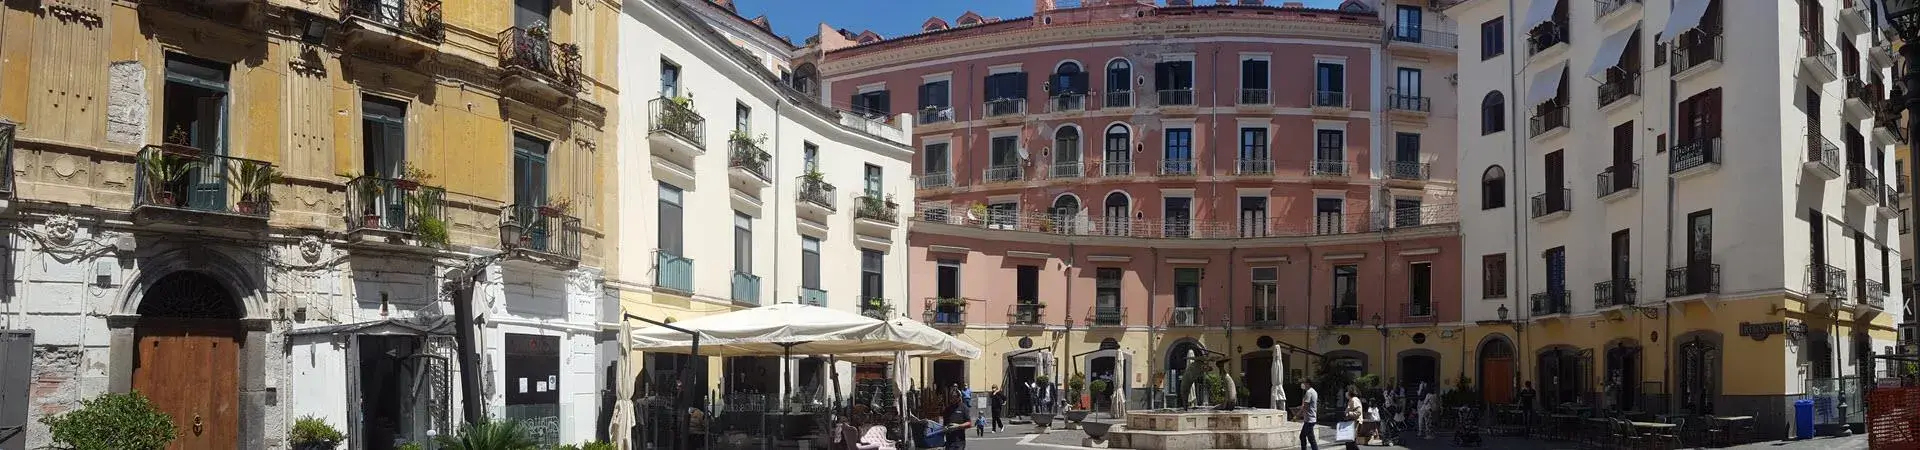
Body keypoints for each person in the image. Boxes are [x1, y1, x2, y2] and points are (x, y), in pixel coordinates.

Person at [1297, 380, 1319, 450]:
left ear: (1308, 384)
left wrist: (1297, 414)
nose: (1303, 384)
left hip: (1309, 419)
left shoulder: (1309, 392)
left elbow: (1305, 406)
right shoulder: (1314, 391)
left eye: (1304, 383)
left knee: (1302, 436)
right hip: (1312, 418)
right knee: (1311, 438)